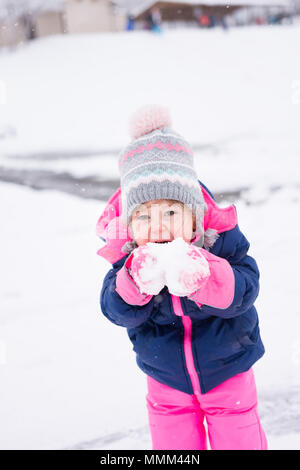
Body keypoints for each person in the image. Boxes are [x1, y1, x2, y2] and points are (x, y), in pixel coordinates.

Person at [97, 105, 267, 450]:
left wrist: (207, 276)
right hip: (166, 379)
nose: (157, 226)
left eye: (171, 212)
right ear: (130, 226)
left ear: (195, 218)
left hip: (228, 371)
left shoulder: (221, 243)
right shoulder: (128, 260)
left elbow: (246, 289)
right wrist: (134, 282)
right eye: (143, 216)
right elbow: (115, 308)